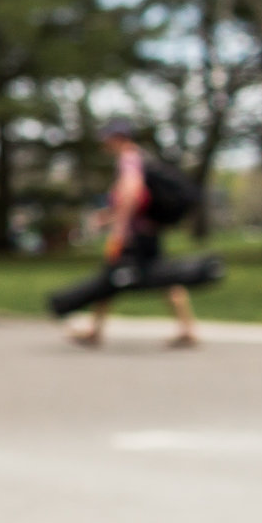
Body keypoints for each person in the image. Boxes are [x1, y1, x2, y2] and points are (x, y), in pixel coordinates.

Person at [70, 117, 199, 350]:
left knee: (110, 278)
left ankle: (94, 330)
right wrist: (110, 216)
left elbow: (132, 193)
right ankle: (187, 328)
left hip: (134, 235)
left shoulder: (128, 160)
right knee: (162, 276)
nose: (104, 144)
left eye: (107, 139)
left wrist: (119, 228)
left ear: (117, 138)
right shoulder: (141, 158)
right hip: (145, 231)